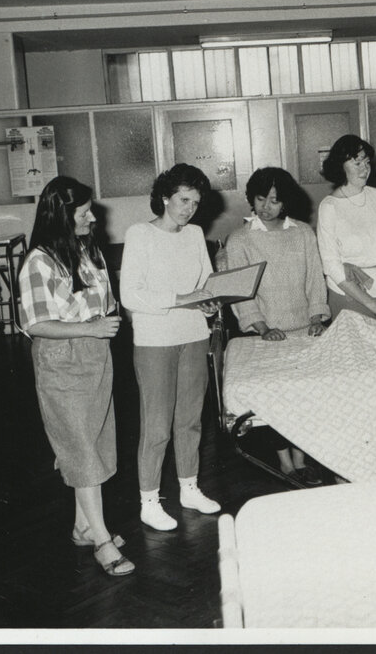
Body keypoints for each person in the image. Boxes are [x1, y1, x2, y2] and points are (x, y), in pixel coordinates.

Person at [17, 176, 134, 577]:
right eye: (83, 212)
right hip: (60, 361)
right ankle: (102, 540)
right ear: (62, 215)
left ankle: (83, 527)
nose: (92, 218)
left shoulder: (87, 252)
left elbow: (105, 301)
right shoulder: (39, 261)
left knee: (97, 445)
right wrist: (90, 328)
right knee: (80, 450)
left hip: (96, 357)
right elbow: (36, 324)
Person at [120, 163, 222, 531]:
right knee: (157, 424)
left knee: (190, 420)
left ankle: (189, 488)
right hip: (154, 339)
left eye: (195, 202)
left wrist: (208, 301)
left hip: (194, 333)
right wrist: (184, 298)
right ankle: (149, 500)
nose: (188, 209)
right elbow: (130, 295)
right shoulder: (139, 234)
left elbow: (205, 284)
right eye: (182, 200)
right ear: (164, 197)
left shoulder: (195, 234)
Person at [224, 166, 330, 485]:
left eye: (275, 200)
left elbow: (314, 279)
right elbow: (241, 293)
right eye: (261, 199)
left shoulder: (302, 232)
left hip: (304, 331)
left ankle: (301, 457)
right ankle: (285, 461)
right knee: (278, 401)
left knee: (307, 398)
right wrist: (260, 327)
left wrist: (316, 318)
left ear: (286, 203)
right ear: (252, 199)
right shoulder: (240, 239)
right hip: (266, 335)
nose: (267, 207)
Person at [318, 135, 376, 322]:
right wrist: (371, 304)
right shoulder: (329, 207)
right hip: (353, 297)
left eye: (367, 162)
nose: (364, 169)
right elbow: (331, 265)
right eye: (357, 163)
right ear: (340, 166)